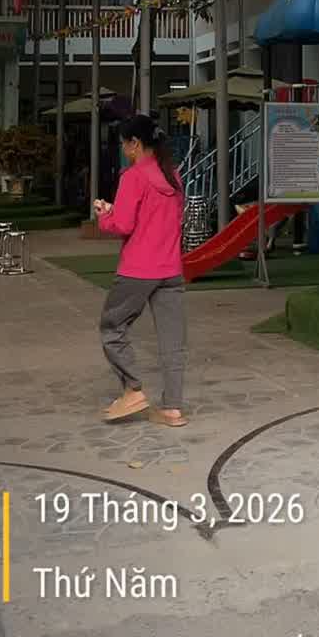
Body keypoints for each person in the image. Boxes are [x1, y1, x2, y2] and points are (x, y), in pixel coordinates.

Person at [94, 114, 188, 427]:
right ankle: (173, 408)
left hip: (138, 269)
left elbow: (123, 224)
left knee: (112, 327)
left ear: (134, 144)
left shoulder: (132, 176)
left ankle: (133, 389)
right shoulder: (173, 176)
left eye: (124, 144)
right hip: (171, 268)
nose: (123, 150)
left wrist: (104, 215)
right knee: (172, 341)